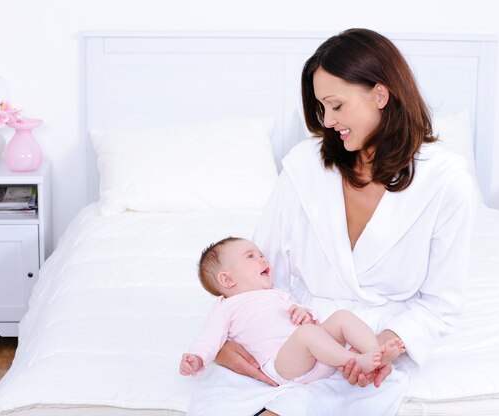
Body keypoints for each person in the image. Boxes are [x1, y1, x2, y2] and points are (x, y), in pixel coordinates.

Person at [187, 28, 477, 416]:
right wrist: (224, 343)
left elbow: (441, 303)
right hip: (287, 338)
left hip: (372, 343)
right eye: (321, 108)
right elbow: (259, 271)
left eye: (336, 106)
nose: (327, 121)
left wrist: (382, 346)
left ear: (380, 94)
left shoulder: (446, 181)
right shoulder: (305, 166)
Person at [179, 237, 405, 385]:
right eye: (250, 256)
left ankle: (375, 351)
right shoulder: (225, 307)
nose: (262, 258)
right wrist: (198, 358)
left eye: (260, 254)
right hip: (282, 364)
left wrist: (304, 313)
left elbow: (302, 315)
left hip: (315, 354)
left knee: (341, 317)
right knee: (307, 334)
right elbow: (209, 337)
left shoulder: (278, 294)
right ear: (227, 279)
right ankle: (357, 361)